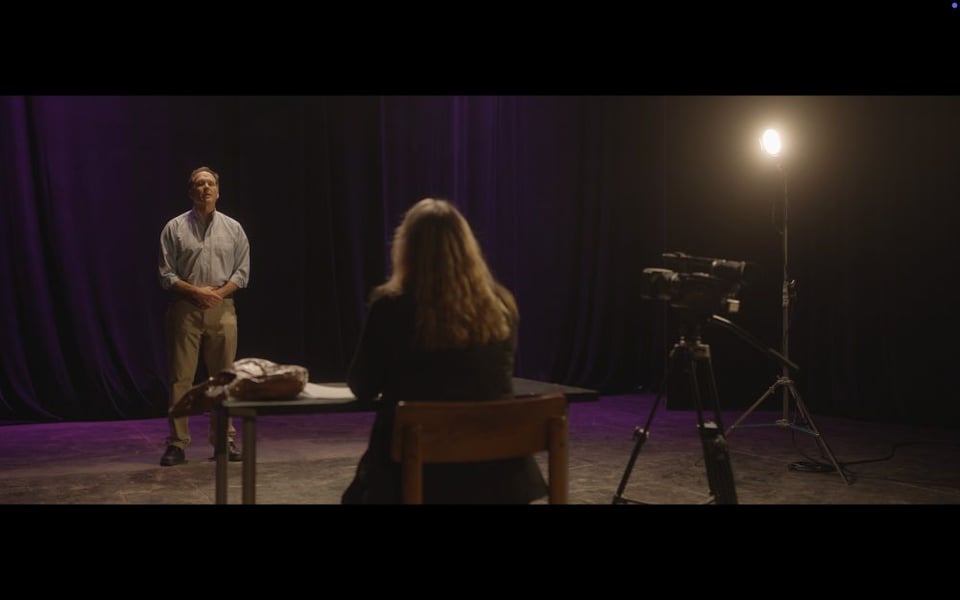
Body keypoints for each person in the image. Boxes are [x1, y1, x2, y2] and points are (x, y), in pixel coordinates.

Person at [341, 198, 548, 503]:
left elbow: (363, 385)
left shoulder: (391, 307)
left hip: (415, 478)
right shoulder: (501, 306)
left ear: (406, 249)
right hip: (498, 479)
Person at [157, 166, 250, 467]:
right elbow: (166, 274)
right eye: (199, 184)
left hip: (222, 309)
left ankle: (225, 440)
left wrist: (217, 295)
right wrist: (196, 292)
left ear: (218, 191)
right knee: (180, 378)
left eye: (210, 183)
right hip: (185, 308)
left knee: (223, 379)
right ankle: (177, 443)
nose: (205, 188)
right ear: (191, 192)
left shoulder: (233, 228)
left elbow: (242, 272)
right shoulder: (174, 228)